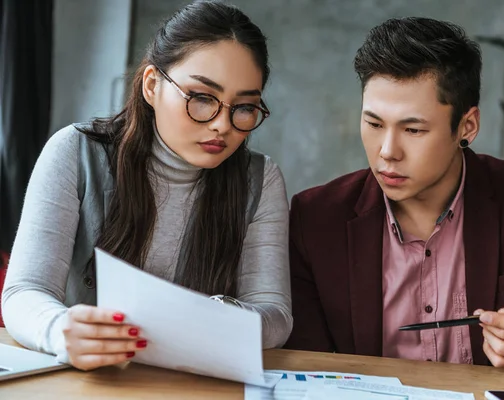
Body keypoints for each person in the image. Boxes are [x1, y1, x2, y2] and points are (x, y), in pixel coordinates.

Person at [284, 17, 504, 383]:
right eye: (373, 124)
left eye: (413, 129)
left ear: (467, 126)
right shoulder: (316, 219)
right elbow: (302, 371)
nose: (387, 152)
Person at [2, 0, 292, 371]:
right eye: (203, 99)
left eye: (244, 107)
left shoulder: (259, 179)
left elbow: (276, 315)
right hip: (85, 378)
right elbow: (24, 292)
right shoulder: (75, 152)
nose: (222, 124)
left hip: (192, 386)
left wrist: (216, 315)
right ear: (152, 85)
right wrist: (59, 329)